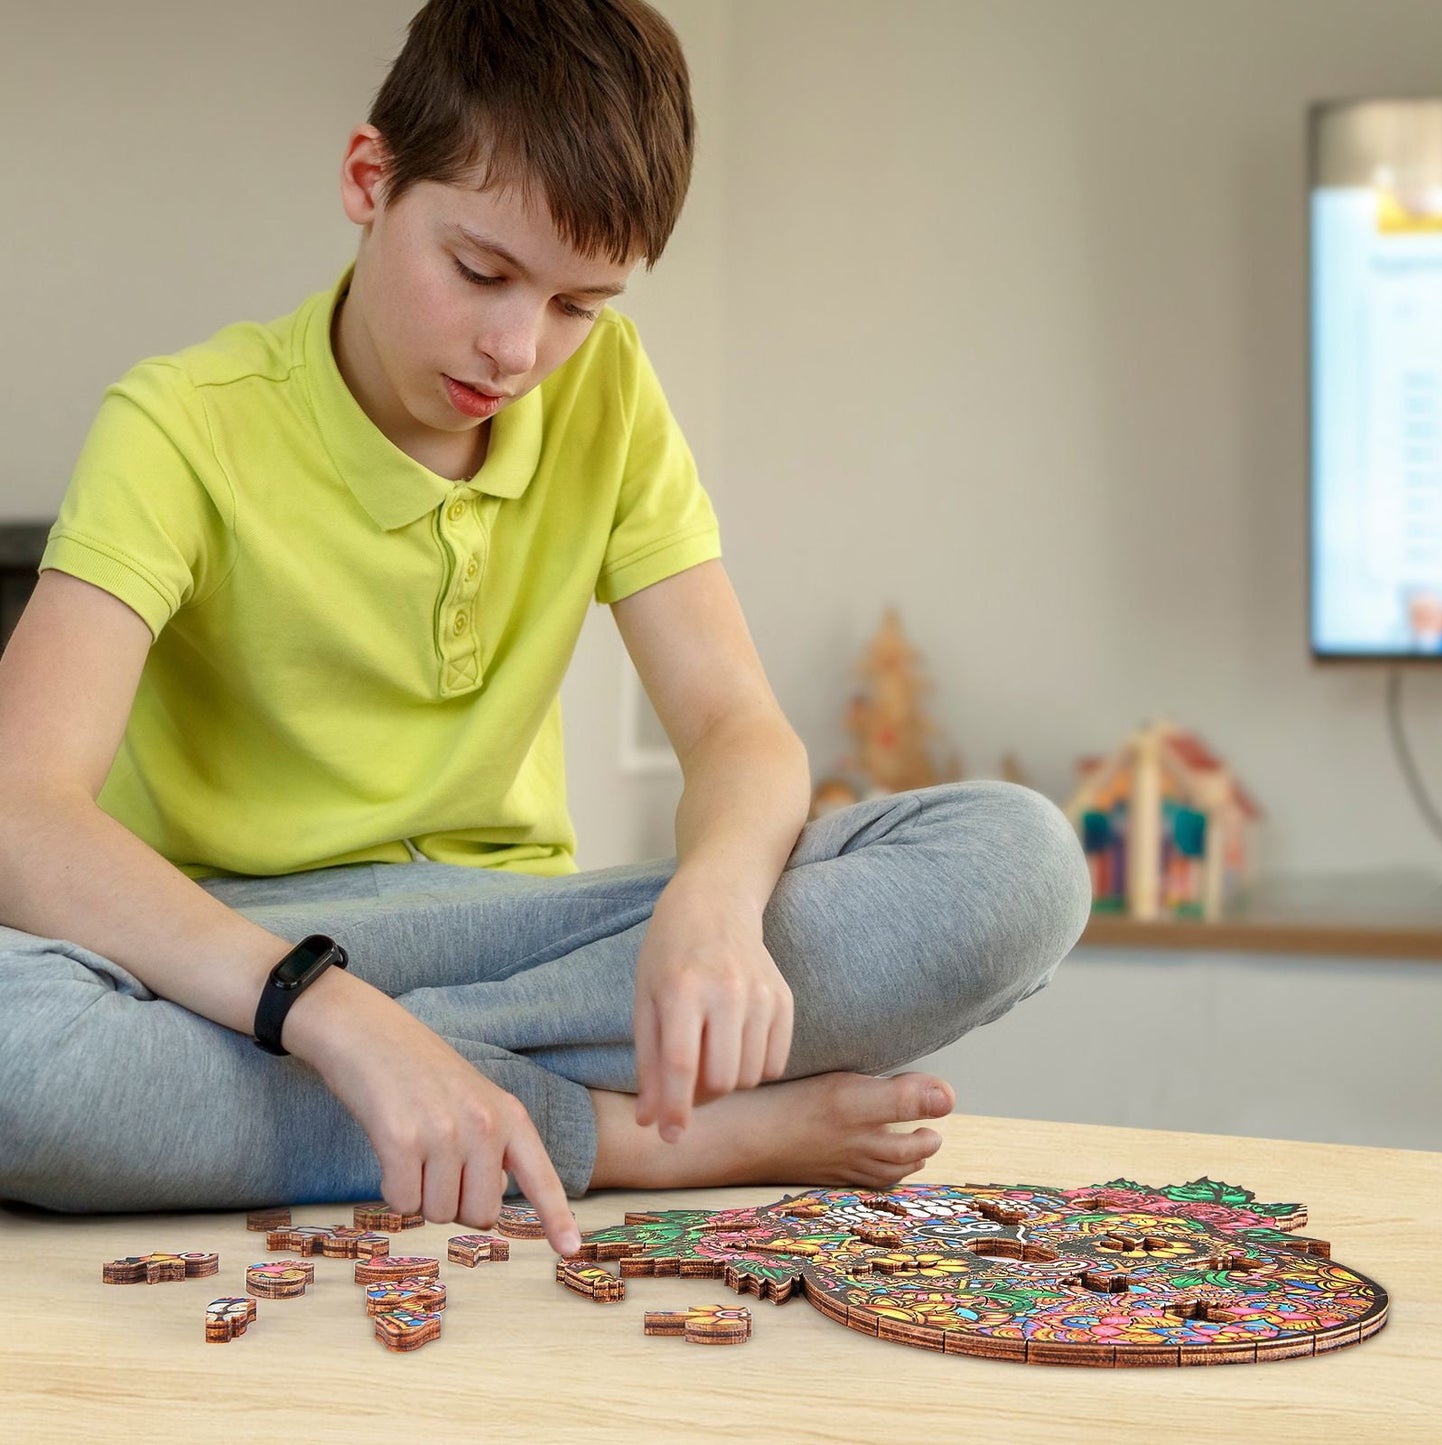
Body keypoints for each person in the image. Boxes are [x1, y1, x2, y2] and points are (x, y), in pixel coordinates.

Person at [0, 0, 1090, 1259]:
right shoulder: (177, 424)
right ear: (369, 178)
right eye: (480, 272)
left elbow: (738, 727)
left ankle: (441, 1100)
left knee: (1014, 862)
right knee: (17, 1046)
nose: (518, 349)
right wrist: (338, 1015)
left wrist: (715, 903)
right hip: (229, 952)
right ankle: (638, 1138)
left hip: (511, 928)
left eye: (579, 302)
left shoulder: (611, 395)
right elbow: (23, 810)